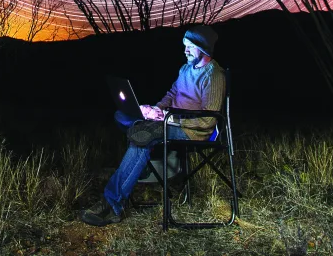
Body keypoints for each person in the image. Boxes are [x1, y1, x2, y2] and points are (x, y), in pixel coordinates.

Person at [80, 24, 225, 226]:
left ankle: (112, 204)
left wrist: (166, 118)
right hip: (169, 121)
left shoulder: (214, 76)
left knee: (143, 137)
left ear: (203, 48)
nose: (185, 51)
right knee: (123, 116)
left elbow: (209, 119)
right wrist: (153, 110)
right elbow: (172, 95)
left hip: (193, 131)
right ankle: (140, 159)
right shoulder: (185, 69)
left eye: (189, 46)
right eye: (184, 46)